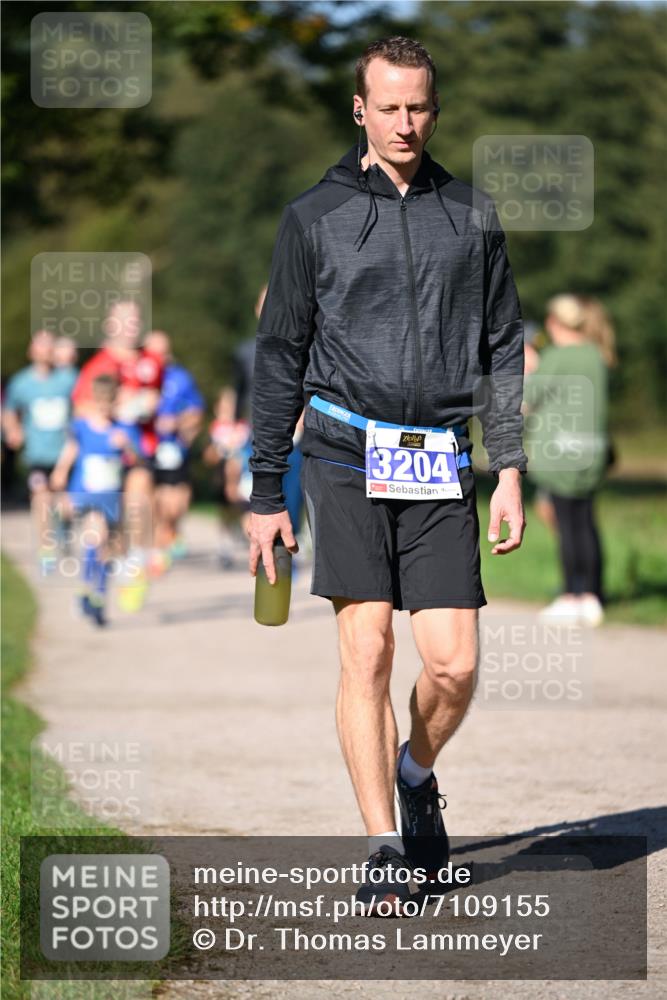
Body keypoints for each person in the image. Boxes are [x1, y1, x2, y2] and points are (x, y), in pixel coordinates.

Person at [247, 36, 526, 915]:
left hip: (440, 457)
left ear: (433, 110)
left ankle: (415, 771)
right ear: (359, 110)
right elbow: (280, 352)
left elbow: (503, 348)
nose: (407, 123)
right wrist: (265, 490)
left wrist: (510, 466)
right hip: (341, 452)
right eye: (390, 107)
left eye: (420, 107)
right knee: (365, 647)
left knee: (453, 666)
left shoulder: (471, 214)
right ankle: (380, 844)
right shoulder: (312, 216)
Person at [524, 293, 616, 627]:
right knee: (585, 523)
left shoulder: (558, 358)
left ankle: (572, 594)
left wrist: (530, 368)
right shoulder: (596, 355)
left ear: (554, 323)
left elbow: (526, 400)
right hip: (590, 454)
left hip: (560, 454)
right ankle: (591, 594)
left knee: (566, 526)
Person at [72, 301, 163, 604]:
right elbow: (81, 409)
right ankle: (100, 582)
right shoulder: (98, 365)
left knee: (139, 506)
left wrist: (145, 404)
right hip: (106, 459)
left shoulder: (152, 360)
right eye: (126, 320)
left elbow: (157, 399)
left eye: (136, 319)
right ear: (111, 325)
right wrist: (117, 410)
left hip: (140, 451)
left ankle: (134, 569)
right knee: (110, 530)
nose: (133, 325)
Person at [50, 374, 142, 627]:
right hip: (85, 493)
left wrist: (127, 448)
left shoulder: (124, 428)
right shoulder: (81, 426)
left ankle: (95, 594)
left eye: (109, 402)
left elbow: (137, 461)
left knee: (107, 549)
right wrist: (60, 472)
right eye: (100, 401)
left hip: (111, 496)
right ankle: (90, 592)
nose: (104, 407)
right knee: (96, 536)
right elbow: (71, 449)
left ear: (115, 402)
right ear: (93, 400)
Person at [2, 330, 77, 568]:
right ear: (31, 351)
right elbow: (9, 411)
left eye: (49, 346)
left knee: (66, 505)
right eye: (40, 345)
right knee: (41, 499)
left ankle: (64, 530)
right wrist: (13, 430)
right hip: (37, 454)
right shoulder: (21, 383)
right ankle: (46, 548)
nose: (45, 351)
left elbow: (83, 409)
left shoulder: (69, 379)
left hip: (65, 452)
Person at [142, 330, 205, 563]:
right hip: (146, 446)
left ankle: (171, 527)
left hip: (174, 447)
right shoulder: (138, 377)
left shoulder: (180, 378)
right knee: (152, 493)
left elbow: (196, 412)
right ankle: (160, 539)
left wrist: (177, 422)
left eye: (163, 351)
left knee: (177, 499)